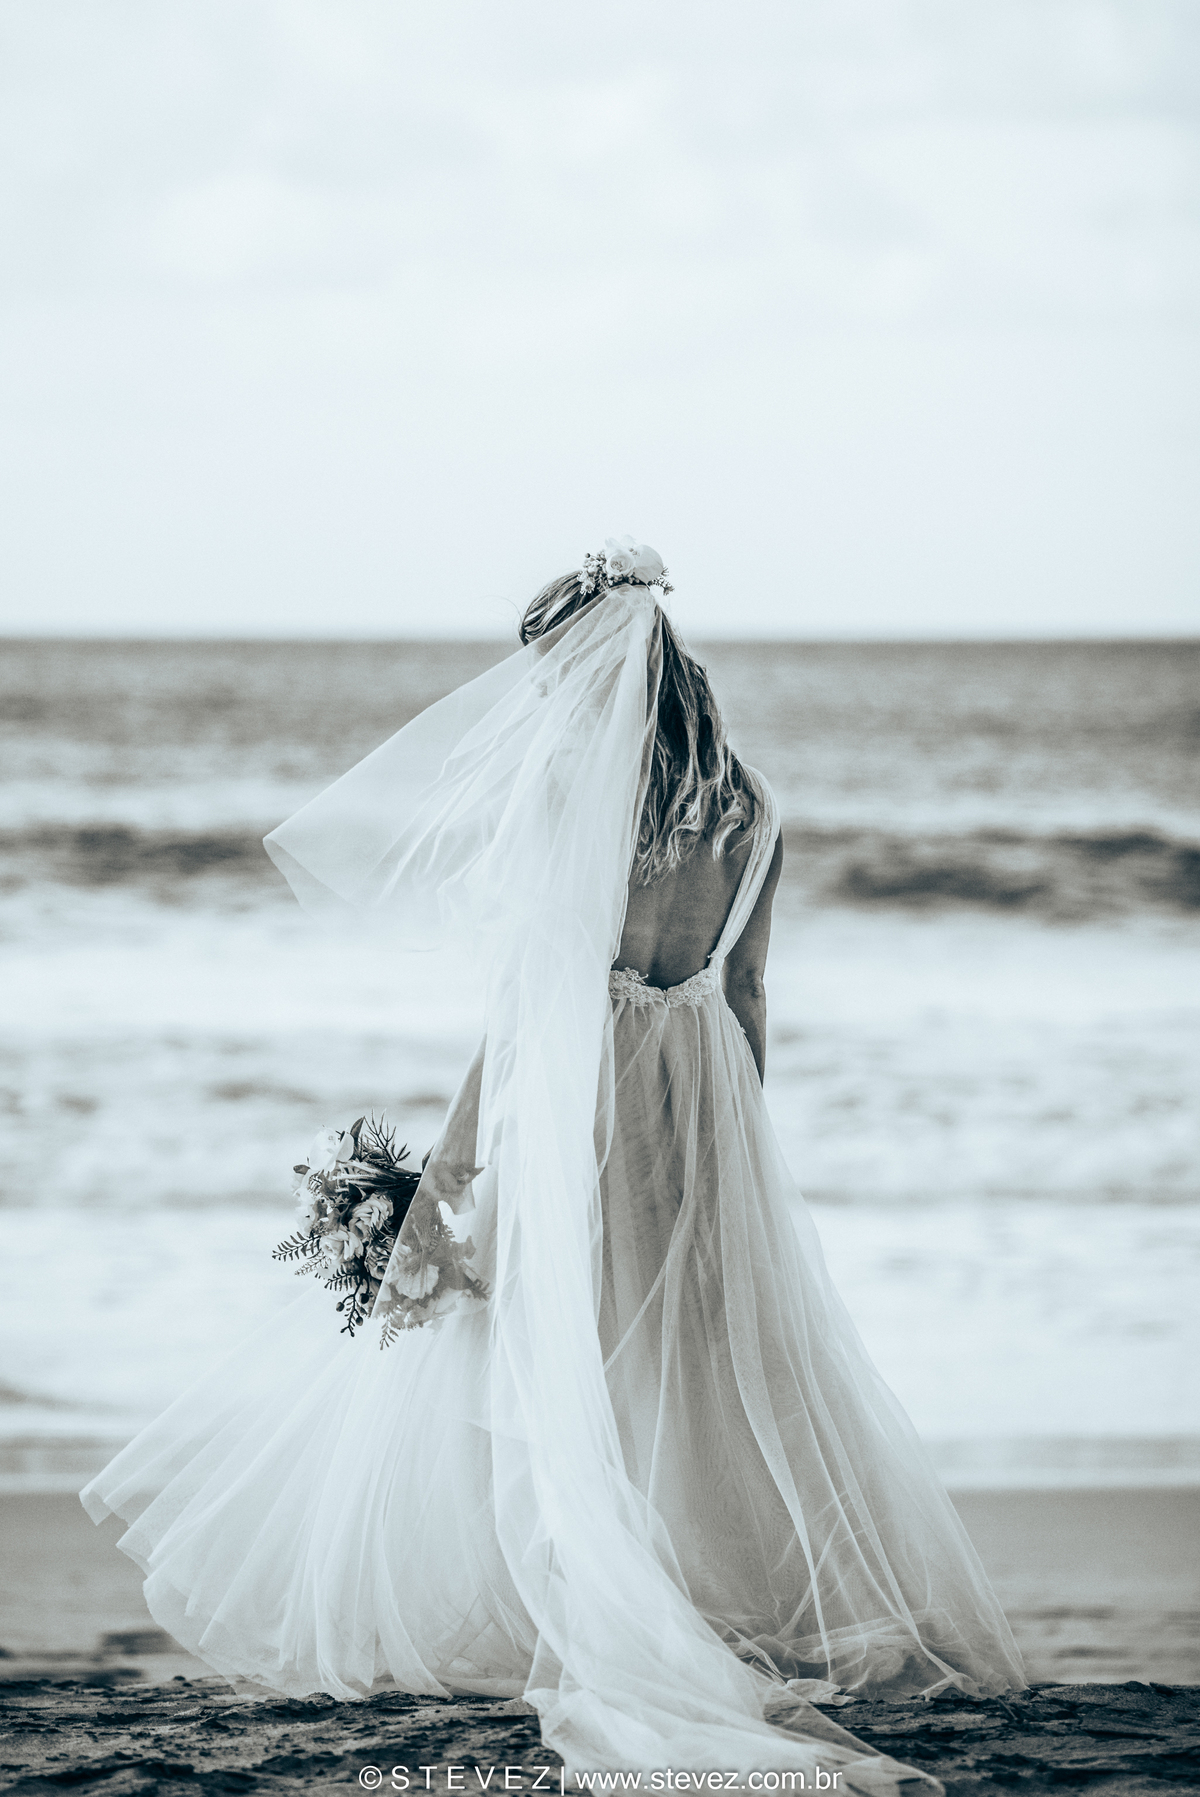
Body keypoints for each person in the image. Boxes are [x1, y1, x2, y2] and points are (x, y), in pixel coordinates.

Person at [83, 541, 1024, 1792]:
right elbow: (745, 991)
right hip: (708, 1094)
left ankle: (601, 1598)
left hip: (587, 1094)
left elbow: (533, 1000)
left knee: (562, 1351)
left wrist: (455, 1164)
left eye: (551, 674)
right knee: (694, 1358)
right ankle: (733, 1595)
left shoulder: (574, 797)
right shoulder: (753, 806)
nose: (537, 701)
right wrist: (729, 1146)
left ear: (595, 668)